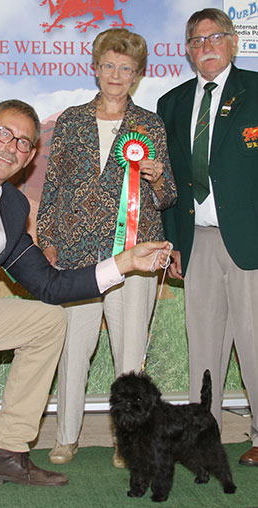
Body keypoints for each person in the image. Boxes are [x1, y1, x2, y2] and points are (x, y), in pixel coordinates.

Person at [0, 98, 172, 487]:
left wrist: (124, 263)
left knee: (47, 319)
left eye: (23, 142)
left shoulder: (11, 207)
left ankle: (5, 453)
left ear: (30, 157)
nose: (11, 146)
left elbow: (50, 286)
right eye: (4, 133)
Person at [37, 28, 176, 467]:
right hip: (78, 254)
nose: (116, 75)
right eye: (109, 65)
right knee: (73, 349)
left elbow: (168, 194)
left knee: (130, 352)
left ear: (137, 75)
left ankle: (127, 442)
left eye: (126, 68)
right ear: (95, 68)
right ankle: (65, 436)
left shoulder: (150, 124)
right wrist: (49, 238)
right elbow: (53, 186)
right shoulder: (70, 120)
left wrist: (154, 178)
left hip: (133, 254)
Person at [157, 7, 258, 466]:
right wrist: (175, 243)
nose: (206, 47)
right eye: (196, 41)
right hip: (196, 241)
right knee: (203, 344)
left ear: (233, 42)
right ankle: (204, 436)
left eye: (215, 37)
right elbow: (173, 183)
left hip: (250, 241)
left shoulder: (256, 91)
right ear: (188, 50)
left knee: (256, 343)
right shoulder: (172, 103)